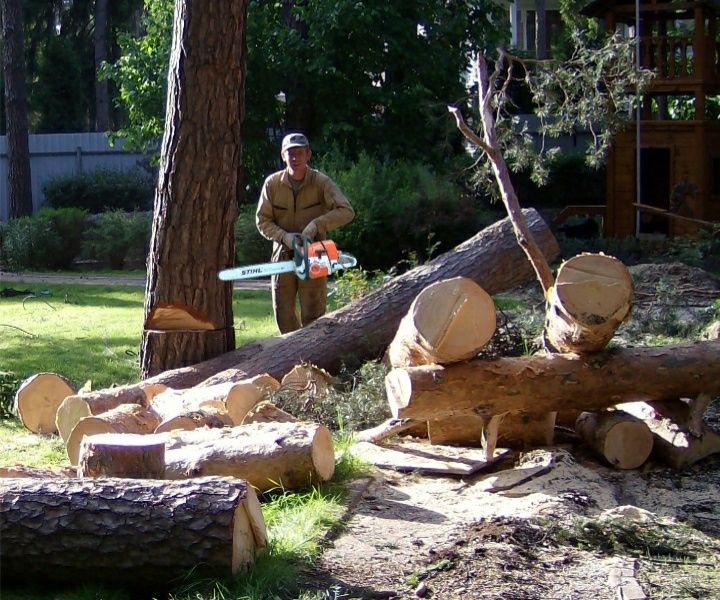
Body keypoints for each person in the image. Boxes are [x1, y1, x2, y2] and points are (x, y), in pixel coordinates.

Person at [256, 132, 355, 333]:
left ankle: (314, 359)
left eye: (300, 153)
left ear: (308, 154)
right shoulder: (272, 184)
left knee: (315, 314)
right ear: (283, 156)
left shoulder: (321, 182)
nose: (295, 158)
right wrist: (285, 237)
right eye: (290, 153)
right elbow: (262, 220)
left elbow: (347, 211)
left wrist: (317, 224)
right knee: (283, 313)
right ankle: (287, 359)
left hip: (316, 252)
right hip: (282, 254)